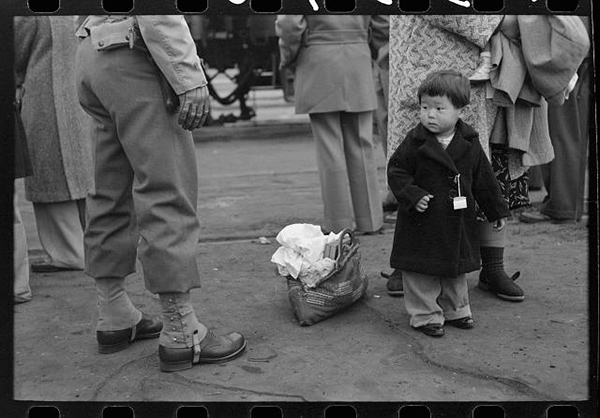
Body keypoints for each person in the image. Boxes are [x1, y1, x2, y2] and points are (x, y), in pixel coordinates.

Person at [74, 15, 246, 372]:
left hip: (91, 53)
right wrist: (187, 74)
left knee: (110, 189)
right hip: (134, 56)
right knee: (167, 188)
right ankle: (183, 332)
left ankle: (114, 312)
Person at [386, 15, 589, 302]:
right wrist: (502, 18)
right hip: (428, 58)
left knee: (489, 172)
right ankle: (407, 267)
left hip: (488, 71)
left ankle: (493, 267)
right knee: (422, 175)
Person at [388, 70, 511, 337]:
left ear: (459, 110)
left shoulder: (469, 142)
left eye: (439, 108)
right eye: (424, 107)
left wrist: (495, 210)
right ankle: (425, 315)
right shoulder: (415, 141)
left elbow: (484, 179)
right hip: (422, 219)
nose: (429, 114)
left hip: (456, 219)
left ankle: (456, 310)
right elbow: (397, 171)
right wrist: (412, 194)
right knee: (421, 270)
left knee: (455, 268)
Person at [276, 15, 385, 234]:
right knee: (362, 144)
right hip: (358, 58)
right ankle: (371, 220)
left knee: (329, 148)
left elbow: (289, 24)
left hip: (318, 59)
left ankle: (338, 223)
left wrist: (287, 57)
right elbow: (382, 22)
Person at [14, 16, 94, 273]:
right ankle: (90, 249)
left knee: (49, 171)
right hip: (82, 90)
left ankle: (67, 253)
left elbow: (15, 48)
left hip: (44, 91)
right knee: (83, 171)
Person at [519, 17, 592, 224]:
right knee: (569, 124)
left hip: (567, 44)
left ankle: (563, 205)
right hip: (578, 41)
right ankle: (562, 202)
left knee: (562, 127)